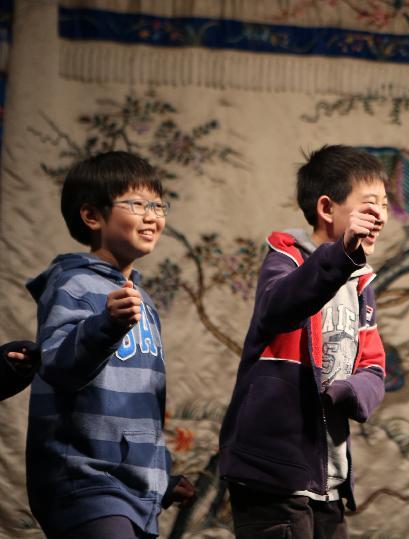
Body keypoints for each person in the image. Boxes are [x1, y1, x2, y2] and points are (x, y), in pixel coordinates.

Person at [218, 145, 389, 539]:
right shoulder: (286, 260)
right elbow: (279, 307)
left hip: (327, 476)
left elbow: (375, 366)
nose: (381, 215)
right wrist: (340, 255)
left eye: (384, 203)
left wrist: (348, 391)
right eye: (369, 204)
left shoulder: (361, 283)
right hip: (274, 474)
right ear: (328, 209)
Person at [25, 151, 196, 539]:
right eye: (137, 204)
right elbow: (58, 366)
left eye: (157, 205)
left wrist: (163, 473)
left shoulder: (142, 300)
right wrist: (106, 325)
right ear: (92, 216)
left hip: (134, 487)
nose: (153, 216)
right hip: (84, 479)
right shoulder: (73, 285)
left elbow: (138, 401)